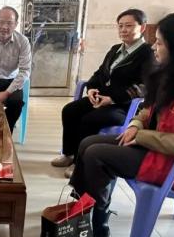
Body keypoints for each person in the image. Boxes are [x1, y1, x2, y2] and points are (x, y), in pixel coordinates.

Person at [68, 11, 174, 237]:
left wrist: (142, 136)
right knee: (87, 143)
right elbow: (149, 108)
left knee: (97, 154)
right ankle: (82, 204)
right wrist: (136, 124)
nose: (154, 48)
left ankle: (98, 224)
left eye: (160, 43)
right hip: (161, 149)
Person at [52, 9, 155, 179]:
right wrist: (91, 88)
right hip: (101, 98)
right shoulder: (115, 49)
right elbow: (100, 73)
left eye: (129, 26)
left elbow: (144, 87)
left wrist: (112, 99)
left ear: (142, 27)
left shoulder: (147, 54)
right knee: (69, 110)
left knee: (90, 119)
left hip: (123, 106)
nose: (123, 30)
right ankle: (68, 154)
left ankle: (79, 163)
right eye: (120, 26)